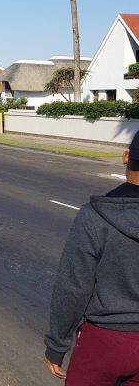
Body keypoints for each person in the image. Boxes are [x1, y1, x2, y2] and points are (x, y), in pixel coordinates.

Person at [44, 130, 139, 384]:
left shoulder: (95, 216)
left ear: (126, 158)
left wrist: (56, 346)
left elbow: (74, 286)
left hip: (103, 341)